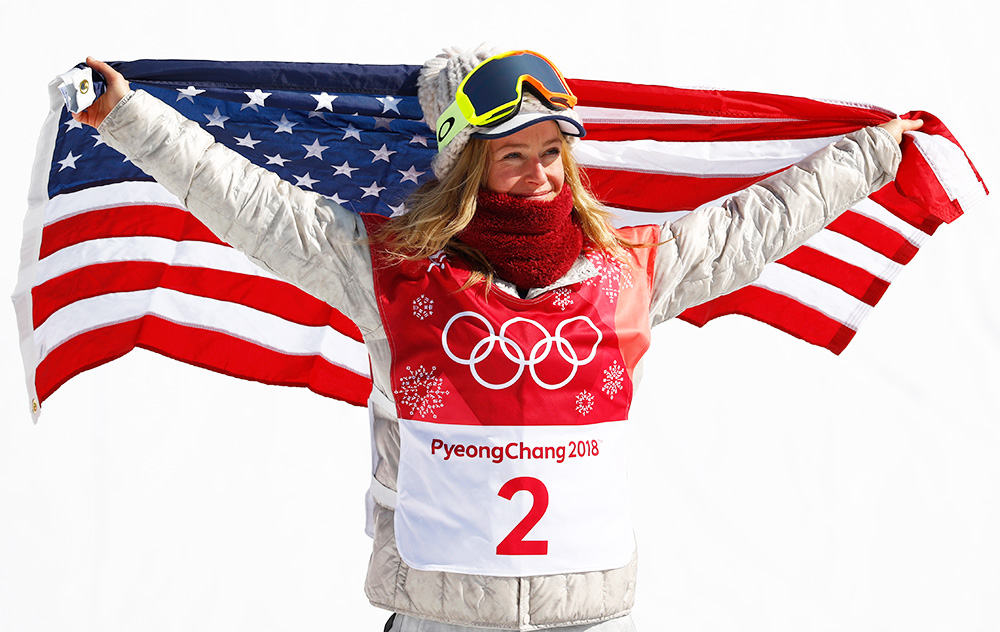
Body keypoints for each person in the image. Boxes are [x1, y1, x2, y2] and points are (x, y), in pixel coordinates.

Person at [74, 46, 921, 632]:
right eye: (511, 154)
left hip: (585, 609)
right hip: (441, 610)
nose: (539, 172)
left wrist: (877, 154)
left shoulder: (628, 269)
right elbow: (248, 200)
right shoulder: (388, 272)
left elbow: (755, 224)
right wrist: (125, 118)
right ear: (466, 166)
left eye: (552, 151)